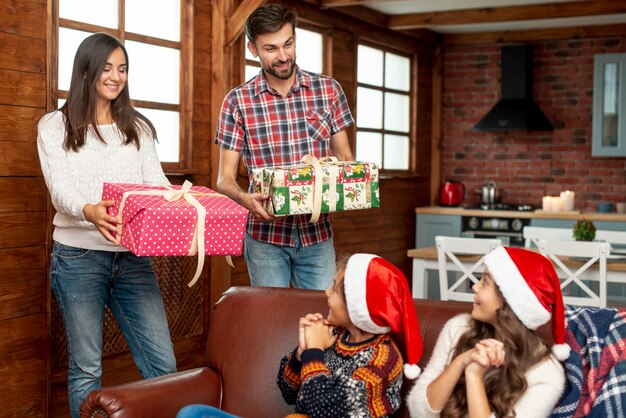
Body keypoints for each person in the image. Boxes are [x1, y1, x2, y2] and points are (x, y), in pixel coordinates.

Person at [37, 33, 176, 418]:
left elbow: (156, 185)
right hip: (78, 256)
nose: (116, 76)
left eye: (123, 68)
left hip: (132, 257)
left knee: (163, 365)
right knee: (86, 369)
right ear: (86, 70)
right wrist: (89, 210)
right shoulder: (55, 126)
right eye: (108, 67)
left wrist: (183, 202)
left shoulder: (139, 128)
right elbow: (60, 190)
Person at [214, 3, 355, 290]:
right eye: (271, 49)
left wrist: (344, 190)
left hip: (317, 235)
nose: (283, 56)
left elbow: (345, 159)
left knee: (320, 323)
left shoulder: (328, 91)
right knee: (271, 325)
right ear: (253, 49)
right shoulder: (237, 102)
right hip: (265, 238)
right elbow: (224, 180)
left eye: (288, 44)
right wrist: (245, 200)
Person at [407, 247, 568, 418]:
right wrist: (460, 362)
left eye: (485, 282)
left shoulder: (547, 374)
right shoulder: (458, 327)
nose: (475, 287)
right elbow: (418, 411)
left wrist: (473, 376)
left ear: (509, 300)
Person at [277, 254, 424, 417]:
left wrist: (314, 349)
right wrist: (301, 352)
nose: (327, 292)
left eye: (334, 289)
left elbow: (320, 408)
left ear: (355, 306)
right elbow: (288, 394)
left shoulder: (381, 363)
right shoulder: (333, 334)